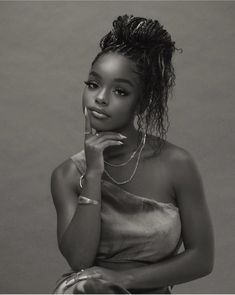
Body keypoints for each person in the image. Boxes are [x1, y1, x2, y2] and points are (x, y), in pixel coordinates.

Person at [50, 14, 214, 294]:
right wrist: (93, 174)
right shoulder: (67, 175)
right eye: (93, 84)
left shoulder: (176, 164)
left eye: (120, 91)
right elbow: (79, 260)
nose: (100, 98)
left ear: (143, 102)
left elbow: (202, 258)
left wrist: (124, 279)